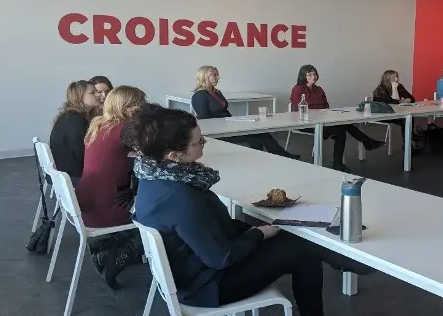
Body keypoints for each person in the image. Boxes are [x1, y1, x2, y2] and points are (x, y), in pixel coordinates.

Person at [126, 103, 374, 314]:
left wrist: (260, 231)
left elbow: (208, 229)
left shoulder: (152, 176)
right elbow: (221, 258)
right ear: (174, 155)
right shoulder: (180, 197)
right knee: (302, 250)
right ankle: (342, 261)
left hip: (190, 272)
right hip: (208, 286)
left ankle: (339, 261)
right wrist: (259, 233)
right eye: (198, 142)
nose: (204, 145)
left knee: (294, 240)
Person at [76, 85, 147, 287]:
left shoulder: (99, 124)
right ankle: (119, 257)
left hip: (88, 203)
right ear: (129, 108)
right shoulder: (125, 129)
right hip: (106, 208)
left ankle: (106, 245)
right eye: (142, 104)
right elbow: (154, 152)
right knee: (161, 216)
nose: (145, 108)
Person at [191, 65, 299, 160]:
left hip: (229, 125)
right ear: (204, 77)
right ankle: (259, 160)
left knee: (262, 132)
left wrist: (235, 122)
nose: (218, 78)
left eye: (218, 75)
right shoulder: (199, 96)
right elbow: (205, 121)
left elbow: (224, 112)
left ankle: (281, 156)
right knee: (255, 139)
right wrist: (229, 125)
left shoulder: (217, 92)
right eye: (214, 75)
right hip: (219, 132)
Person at [290, 65, 384, 172]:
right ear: (303, 76)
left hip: (322, 120)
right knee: (341, 132)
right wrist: (319, 112)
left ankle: (365, 143)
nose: (313, 77)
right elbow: (298, 107)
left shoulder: (319, 89)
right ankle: (342, 160)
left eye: (314, 74)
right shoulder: (297, 89)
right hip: (306, 123)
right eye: (309, 75)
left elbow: (326, 105)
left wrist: (326, 112)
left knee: (345, 124)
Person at [49, 80, 99, 185]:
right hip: (72, 175)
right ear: (79, 97)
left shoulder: (69, 115)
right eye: (92, 93)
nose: (98, 95)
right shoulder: (75, 119)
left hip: (63, 171)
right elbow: (83, 152)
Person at [372, 70, 417, 145]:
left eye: (397, 77)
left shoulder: (399, 86)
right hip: (383, 114)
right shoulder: (380, 89)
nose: (396, 79)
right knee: (404, 119)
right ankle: (408, 141)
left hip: (395, 113)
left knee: (409, 116)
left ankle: (409, 139)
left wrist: (406, 100)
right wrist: (395, 90)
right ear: (388, 79)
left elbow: (412, 98)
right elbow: (392, 101)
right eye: (394, 77)